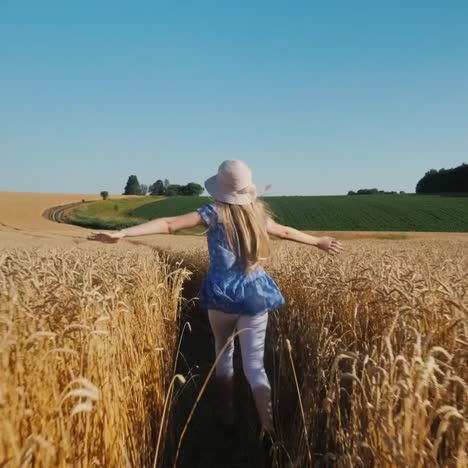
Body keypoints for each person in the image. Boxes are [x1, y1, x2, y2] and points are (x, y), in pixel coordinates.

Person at [88, 160, 344, 437]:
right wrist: (318, 240)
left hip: (222, 297)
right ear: (247, 189)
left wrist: (123, 233)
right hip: (256, 297)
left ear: (220, 189)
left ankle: (227, 414)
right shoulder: (257, 215)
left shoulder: (213, 213)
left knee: (223, 354)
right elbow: (285, 232)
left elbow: (169, 224)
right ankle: (268, 429)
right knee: (255, 366)